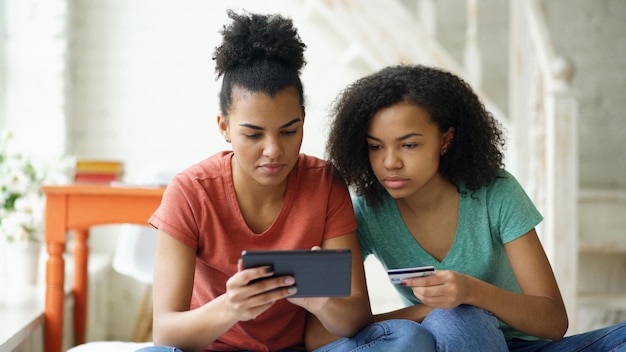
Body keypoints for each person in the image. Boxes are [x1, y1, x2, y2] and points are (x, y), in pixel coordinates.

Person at [138, 11, 434, 352]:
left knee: (407, 339)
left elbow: (355, 320)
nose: (274, 151)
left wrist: (319, 301)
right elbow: (165, 332)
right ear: (224, 127)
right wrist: (230, 308)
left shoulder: (324, 184)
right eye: (253, 134)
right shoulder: (191, 192)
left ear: (303, 120)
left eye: (289, 131)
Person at [323, 64, 626, 351]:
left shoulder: (495, 191)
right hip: (449, 339)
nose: (390, 162)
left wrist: (470, 291)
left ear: (446, 140)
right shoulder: (366, 211)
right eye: (376, 146)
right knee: (455, 318)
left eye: (409, 145)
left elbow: (554, 321)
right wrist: (428, 309)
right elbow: (323, 333)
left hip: (527, 346)